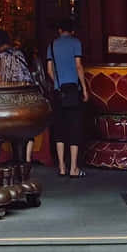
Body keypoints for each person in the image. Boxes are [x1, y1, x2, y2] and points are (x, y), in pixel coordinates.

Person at [47, 18, 86, 177]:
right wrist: (84, 88)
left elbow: (49, 70)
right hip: (72, 90)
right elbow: (78, 66)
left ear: (59, 30)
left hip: (59, 91)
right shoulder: (76, 43)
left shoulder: (51, 45)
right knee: (74, 128)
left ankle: (62, 167)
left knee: (59, 128)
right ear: (73, 31)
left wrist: (57, 82)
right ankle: (74, 168)